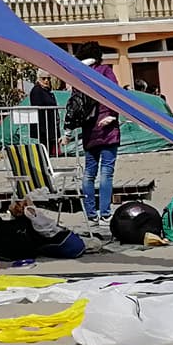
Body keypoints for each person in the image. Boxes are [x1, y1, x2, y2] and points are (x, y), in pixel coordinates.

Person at [74, 44, 122, 228]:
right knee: (106, 172)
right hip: (107, 128)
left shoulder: (78, 74)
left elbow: (75, 104)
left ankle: (91, 215)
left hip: (89, 130)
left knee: (89, 173)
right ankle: (105, 214)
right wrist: (112, 115)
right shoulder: (104, 71)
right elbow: (115, 93)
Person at [28, 75, 60, 153]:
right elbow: (38, 105)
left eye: (48, 78)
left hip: (50, 124)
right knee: (44, 147)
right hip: (43, 125)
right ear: (39, 79)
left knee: (48, 147)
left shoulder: (47, 90)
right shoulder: (37, 90)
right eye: (43, 78)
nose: (46, 81)